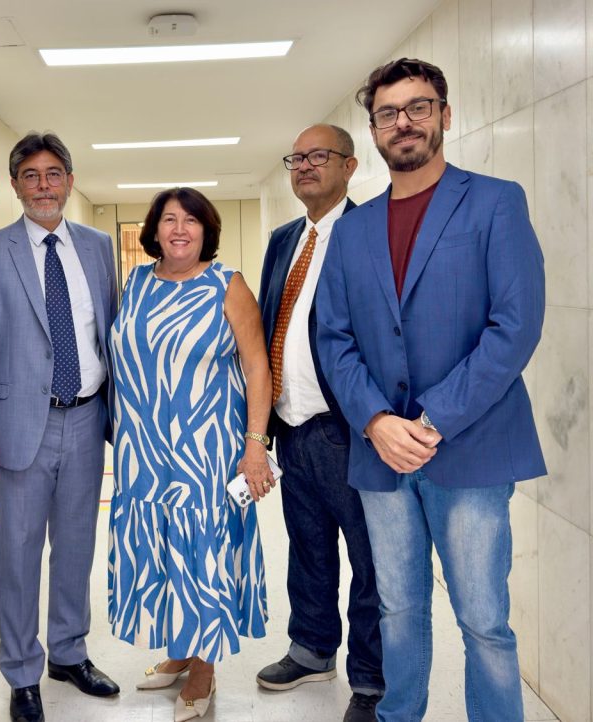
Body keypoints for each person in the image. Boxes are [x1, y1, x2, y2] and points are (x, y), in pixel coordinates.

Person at [316, 58, 546, 722]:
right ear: (374, 131)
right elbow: (333, 336)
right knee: (397, 609)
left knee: (483, 620)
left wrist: (433, 419)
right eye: (388, 113)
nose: (404, 122)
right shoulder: (353, 229)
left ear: (445, 115)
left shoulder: (495, 202)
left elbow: (515, 325)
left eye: (418, 107)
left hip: (471, 447)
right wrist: (375, 421)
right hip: (382, 455)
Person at [0, 132, 119, 722]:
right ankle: (22, 672)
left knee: (76, 546)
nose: (44, 186)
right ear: (15, 185)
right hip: (17, 425)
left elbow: (109, 330)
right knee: (18, 553)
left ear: (70, 181)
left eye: (54, 174)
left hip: (87, 417)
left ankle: (69, 653)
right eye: (30, 176)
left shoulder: (98, 247)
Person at [108, 187, 273, 721]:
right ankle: (180, 649)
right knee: (162, 552)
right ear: (154, 231)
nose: (180, 229)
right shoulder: (135, 282)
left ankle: (204, 669)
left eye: (191, 221)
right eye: (169, 220)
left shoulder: (228, 285)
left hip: (205, 451)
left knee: (201, 555)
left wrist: (255, 446)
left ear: (207, 230)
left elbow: (257, 367)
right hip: (142, 452)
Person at [256, 125, 383, 722]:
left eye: (319, 156)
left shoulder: (369, 232)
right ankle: (311, 649)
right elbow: (268, 326)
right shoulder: (284, 240)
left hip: (347, 427)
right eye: (297, 158)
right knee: (307, 545)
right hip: (292, 426)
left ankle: (371, 678)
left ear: (350, 166)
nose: (305, 166)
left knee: (369, 557)